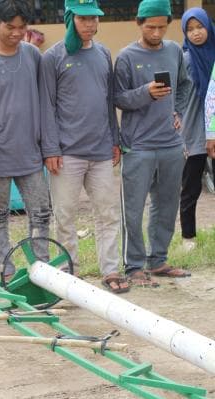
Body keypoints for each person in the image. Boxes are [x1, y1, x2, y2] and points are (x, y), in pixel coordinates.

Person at [40, 0, 126, 292]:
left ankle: (111, 271)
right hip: (66, 154)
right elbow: (46, 106)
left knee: (107, 213)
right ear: (69, 18)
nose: (90, 24)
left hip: (101, 152)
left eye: (94, 19)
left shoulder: (103, 53)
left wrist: (114, 140)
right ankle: (68, 275)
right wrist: (50, 149)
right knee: (65, 216)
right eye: (83, 19)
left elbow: (108, 100)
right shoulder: (53, 57)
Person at [0, 0, 51, 280]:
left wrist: (49, 148)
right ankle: (8, 271)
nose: (16, 33)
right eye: (10, 27)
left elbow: (45, 104)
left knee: (40, 212)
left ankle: (42, 270)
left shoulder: (32, 56)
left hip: (30, 154)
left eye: (21, 27)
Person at [113, 0, 192, 287]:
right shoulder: (126, 56)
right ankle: (133, 266)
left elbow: (184, 84)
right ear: (138, 23)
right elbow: (119, 98)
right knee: (133, 210)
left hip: (171, 144)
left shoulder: (173, 51)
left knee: (167, 204)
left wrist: (177, 111)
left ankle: (158, 260)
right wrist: (146, 92)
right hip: (139, 146)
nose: (157, 32)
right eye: (150, 27)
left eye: (162, 26)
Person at [178, 8, 215, 251]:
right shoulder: (184, 59)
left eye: (199, 27)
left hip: (214, 130)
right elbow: (175, 95)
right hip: (193, 132)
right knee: (190, 188)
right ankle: (188, 238)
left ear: (208, 27)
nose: (195, 33)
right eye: (190, 29)